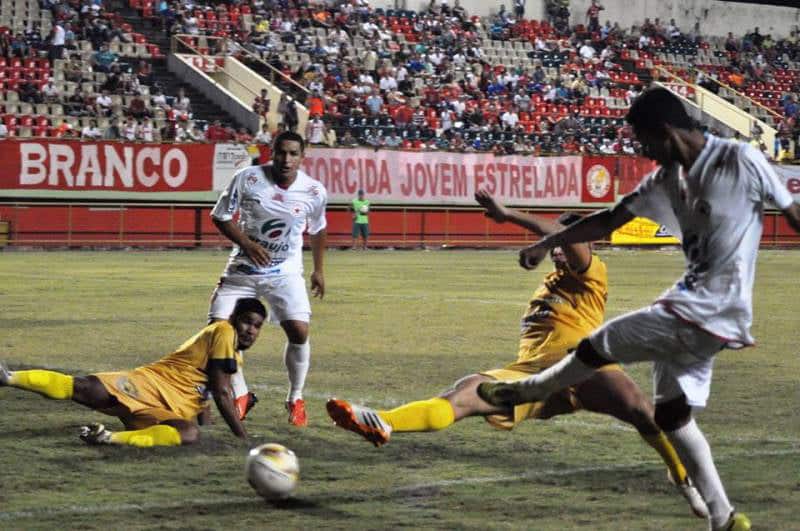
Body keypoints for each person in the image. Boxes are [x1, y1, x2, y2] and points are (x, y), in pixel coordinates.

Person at [478, 88, 800, 531]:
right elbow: (606, 222)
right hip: (695, 305)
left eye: (644, 141)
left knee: (599, 343)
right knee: (670, 414)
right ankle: (723, 519)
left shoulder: (738, 159)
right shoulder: (665, 179)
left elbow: (793, 211)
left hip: (709, 308)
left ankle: (530, 390)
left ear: (665, 132)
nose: (643, 152)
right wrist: (545, 243)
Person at [327, 190, 708, 519]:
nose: (561, 246)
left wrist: (510, 217)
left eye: (570, 240)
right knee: (464, 393)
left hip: (582, 363)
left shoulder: (592, 272)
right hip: (534, 377)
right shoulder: (547, 287)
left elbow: (563, 237)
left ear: (587, 243)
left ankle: (679, 474)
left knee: (641, 409)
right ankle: (384, 422)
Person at [0, 298, 267, 447]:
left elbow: (206, 394)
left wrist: (207, 426)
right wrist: (243, 438)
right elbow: (221, 392)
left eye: (257, 327)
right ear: (233, 319)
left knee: (189, 434)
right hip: (149, 384)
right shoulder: (223, 331)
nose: (250, 330)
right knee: (85, 388)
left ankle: (107, 437)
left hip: (163, 411)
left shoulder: (233, 357)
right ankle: (8, 377)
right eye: (246, 322)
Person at [208, 131, 328, 428]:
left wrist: (319, 270)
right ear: (271, 152)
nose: (286, 160)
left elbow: (318, 228)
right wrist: (247, 245)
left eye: (293, 154)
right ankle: (241, 394)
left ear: (302, 156)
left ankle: (296, 397)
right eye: (281, 153)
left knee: (299, 331)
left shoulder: (314, 191)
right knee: (218, 331)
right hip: (243, 270)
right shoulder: (247, 178)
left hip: (285, 271)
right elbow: (220, 216)